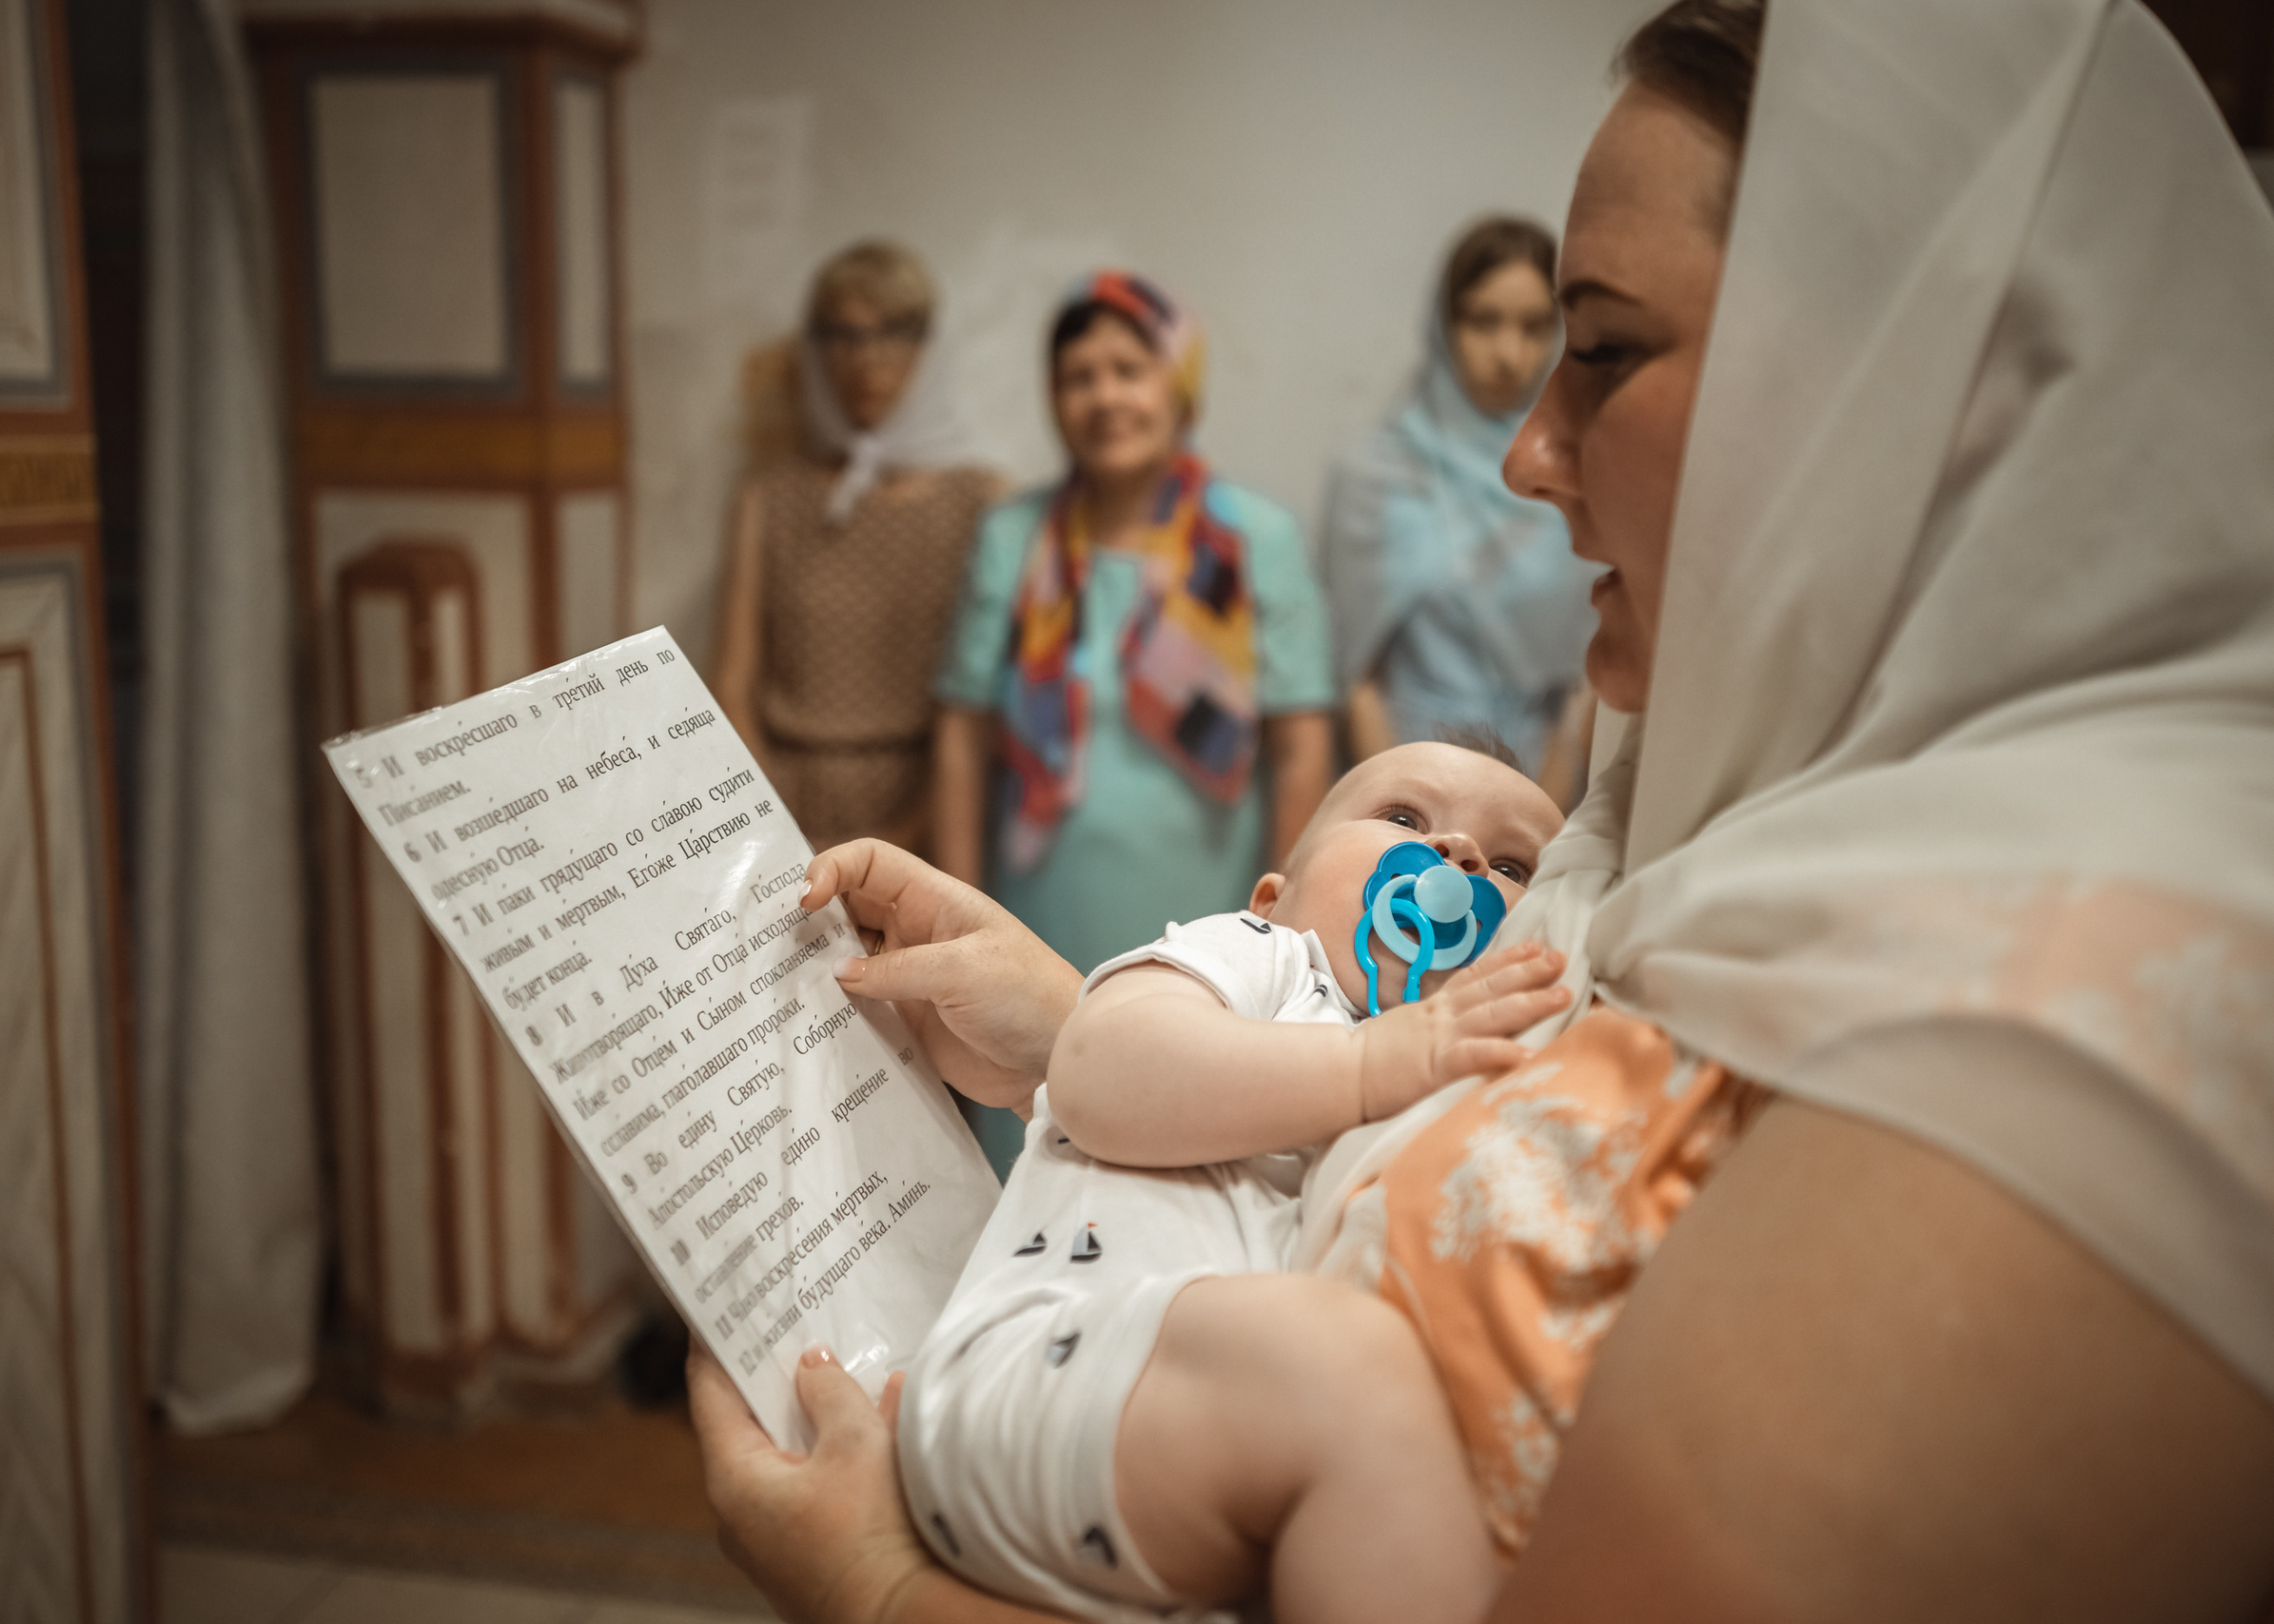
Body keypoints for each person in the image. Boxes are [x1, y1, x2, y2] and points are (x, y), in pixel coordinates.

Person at [691, 1, 2274, 1619]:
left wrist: (883, 1590)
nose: (1525, 451)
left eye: (1604, 348)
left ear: (1913, 389)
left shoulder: (2066, 1055)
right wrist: (1078, 1025)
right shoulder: (1696, 807)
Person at [898, 742, 1567, 1623]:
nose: (1462, 855)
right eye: (1404, 818)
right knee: (1357, 1374)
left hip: (1217, 1469)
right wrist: (1370, 1062)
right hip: (1056, 1375)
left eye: (1513, 865)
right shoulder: (1266, 960)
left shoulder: (1465, 1087)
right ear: (1272, 895)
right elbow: (1097, 1068)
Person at [933, 272, 1337, 1174]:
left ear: (1178, 383)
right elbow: (962, 737)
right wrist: (961, 919)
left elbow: (1301, 744)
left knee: (1186, 1149)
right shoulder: (1012, 538)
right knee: (1033, 1147)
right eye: (1079, 376)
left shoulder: (1257, 538)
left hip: (1209, 914)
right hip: (1040, 910)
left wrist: (1280, 934)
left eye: (1129, 369)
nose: (1105, 396)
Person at [712, 240, 1001, 855]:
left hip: (932, 802)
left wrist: (910, 832)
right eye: (842, 335)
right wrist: (774, 826)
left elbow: (985, 705)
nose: (866, 359)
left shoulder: (983, 502)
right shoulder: (770, 498)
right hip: (785, 801)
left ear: (930, 346)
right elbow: (733, 681)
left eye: (893, 333)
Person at [1320, 219, 1595, 771]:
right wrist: (1401, 811)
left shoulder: (1575, 478)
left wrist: (1547, 811)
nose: (1509, 353)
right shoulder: (1379, 476)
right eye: (1483, 321)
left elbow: (1582, 683)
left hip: (1540, 776)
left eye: (1535, 326)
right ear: (1444, 325)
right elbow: (1358, 679)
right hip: (1404, 768)